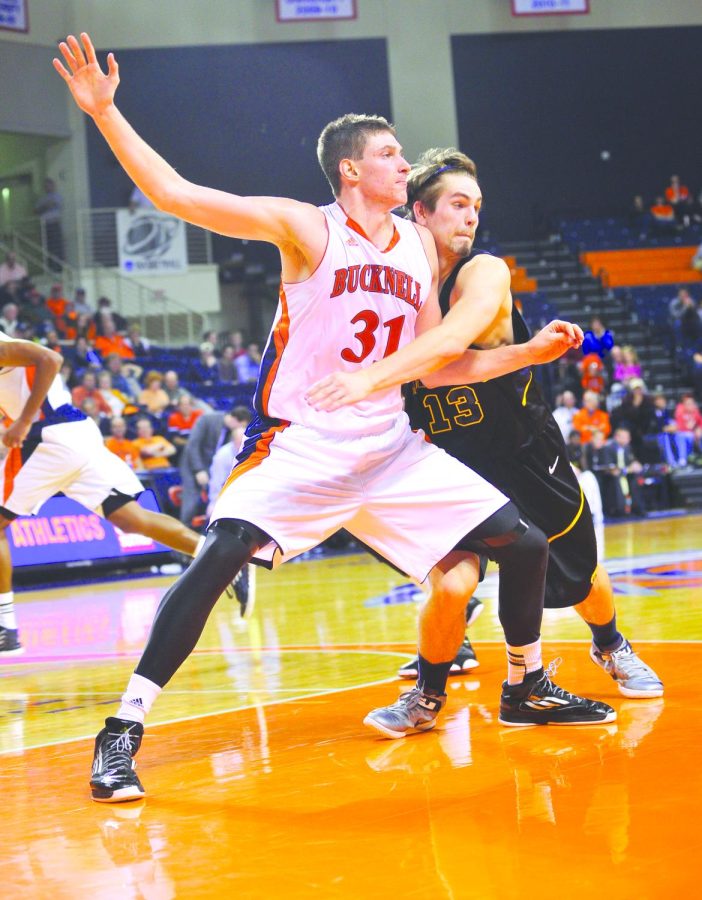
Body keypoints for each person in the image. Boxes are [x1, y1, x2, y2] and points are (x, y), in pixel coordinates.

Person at [54, 34, 610, 802]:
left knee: (521, 541)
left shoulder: (418, 246)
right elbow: (179, 196)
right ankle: (121, 732)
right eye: (389, 152)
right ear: (352, 169)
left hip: (389, 444)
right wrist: (107, 116)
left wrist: (528, 353)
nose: (403, 161)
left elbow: (439, 361)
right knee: (218, 557)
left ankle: (525, 686)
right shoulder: (306, 226)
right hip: (304, 443)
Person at [308, 147, 662, 705]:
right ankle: (433, 683)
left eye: (476, 205)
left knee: (576, 571)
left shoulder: (485, 271)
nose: (471, 216)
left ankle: (610, 642)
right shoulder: (394, 283)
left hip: (519, 451)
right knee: (453, 582)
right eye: (456, 204)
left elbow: (445, 356)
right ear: (420, 214)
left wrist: (525, 353)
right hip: (445, 456)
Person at [0, 333, 240, 658]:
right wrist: (14, 423)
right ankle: (223, 560)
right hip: (77, 433)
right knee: (129, 518)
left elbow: (51, 359)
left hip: (51, 435)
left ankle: (6, 630)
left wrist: (24, 422)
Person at [34, 177, 64, 270]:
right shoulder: (42, 199)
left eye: (49, 185)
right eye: (46, 186)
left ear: (53, 186)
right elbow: (36, 210)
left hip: (54, 224)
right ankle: (50, 267)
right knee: (48, 247)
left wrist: (44, 207)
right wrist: (45, 206)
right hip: (45, 226)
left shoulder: (57, 196)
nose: (47, 188)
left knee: (57, 246)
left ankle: (59, 267)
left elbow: (54, 204)